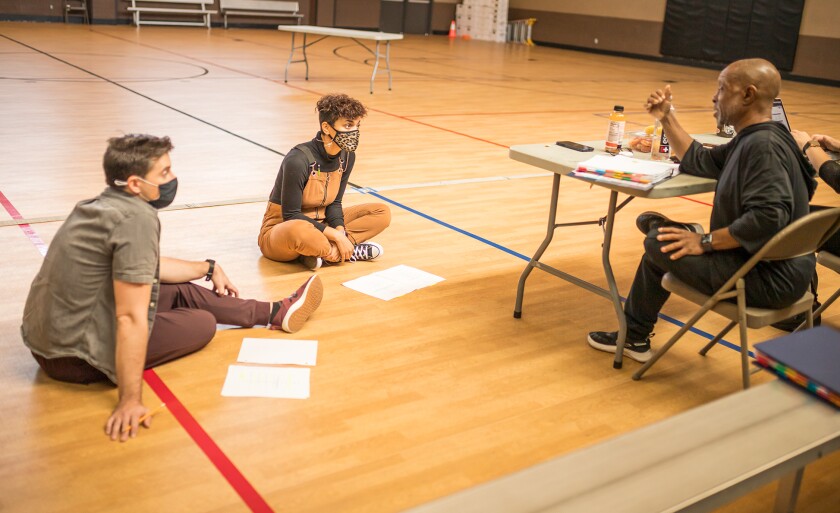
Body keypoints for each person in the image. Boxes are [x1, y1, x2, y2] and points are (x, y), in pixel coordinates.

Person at [21, 134, 323, 442]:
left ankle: (274, 313)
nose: (173, 178)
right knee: (202, 323)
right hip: (70, 355)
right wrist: (129, 400)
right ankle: (264, 315)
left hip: (51, 333)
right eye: (164, 173)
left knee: (183, 291)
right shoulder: (136, 219)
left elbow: (145, 265)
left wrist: (208, 267)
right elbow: (130, 317)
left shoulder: (102, 203)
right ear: (136, 183)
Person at [587, 58, 817, 363]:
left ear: (748, 95)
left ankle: (635, 334)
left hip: (767, 279)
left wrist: (705, 243)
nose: (714, 96)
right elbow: (701, 161)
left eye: (722, 89)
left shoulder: (762, 147)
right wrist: (666, 117)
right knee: (666, 238)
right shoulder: (764, 137)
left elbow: (767, 218)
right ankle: (636, 333)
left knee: (659, 243)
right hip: (779, 268)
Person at [258, 93, 391, 270]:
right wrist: (336, 236)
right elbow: (291, 215)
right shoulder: (297, 159)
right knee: (301, 231)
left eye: (357, 126)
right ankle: (344, 251)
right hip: (284, 229)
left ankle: (325, 253)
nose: (354, 132)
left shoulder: (347, 157)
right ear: (326, 128)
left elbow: (335, 203)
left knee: (382, 212)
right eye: (348, 125)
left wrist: (340, 230)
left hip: (322, 223)